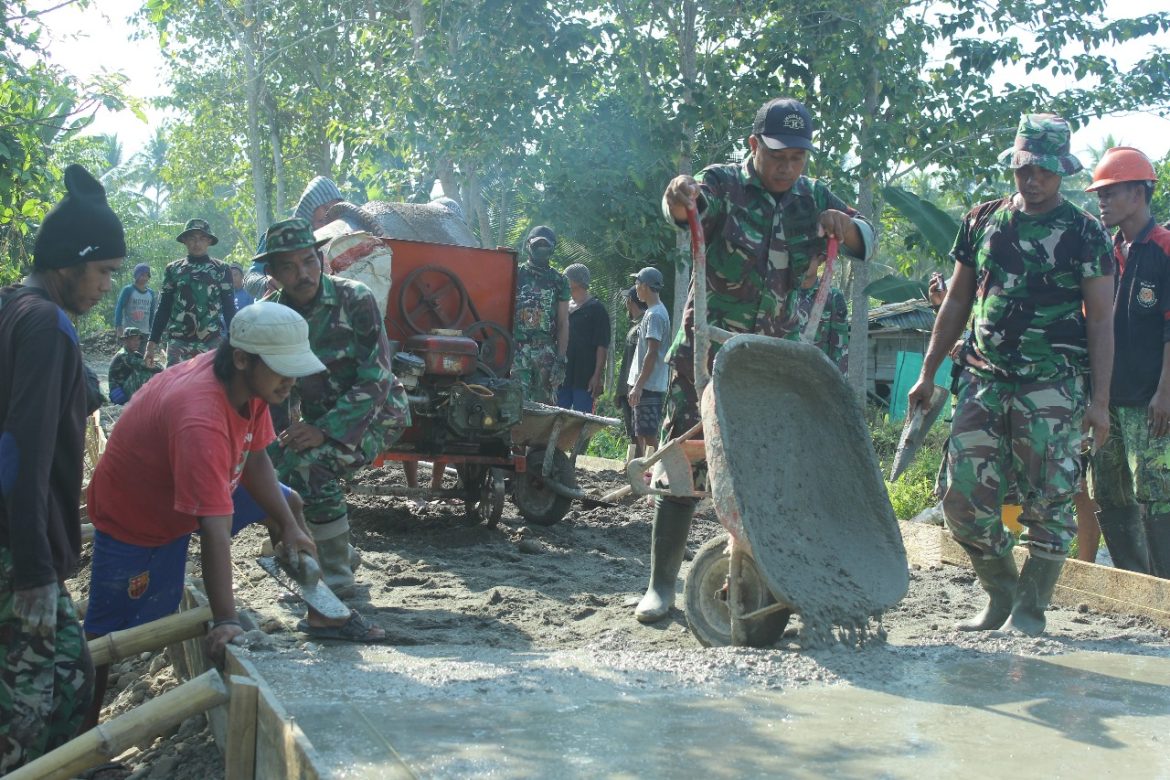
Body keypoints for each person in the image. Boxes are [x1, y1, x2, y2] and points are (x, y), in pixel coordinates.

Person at [637, 96, 875, 623]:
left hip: (773, 366)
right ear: (753, 146)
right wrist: (678, 198)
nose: (787, 168)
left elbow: (866, 241)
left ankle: (776, 572)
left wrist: (846, 225)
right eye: (776, 157)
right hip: (708, 355)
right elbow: (685, 210)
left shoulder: (814, 197)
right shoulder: (723, 183)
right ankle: (660, 586)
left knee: (773, 470)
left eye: (797, 158)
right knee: (684, 462)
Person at [907, 114, 1115, 637]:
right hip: (983, 379)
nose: (1033, 180)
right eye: (1025, 168)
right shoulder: (983, 220)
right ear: (1015, 165)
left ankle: (1030, 609)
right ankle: (1001, 592)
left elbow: (1103, 321)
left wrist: (1100, 402)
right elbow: (956, 299)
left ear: (1061, 171)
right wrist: (929, 372)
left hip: (1054, 385)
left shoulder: (1085, 231)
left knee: (1050, 501)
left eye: (1044, 171)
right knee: (961, 498)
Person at [0, 164, 125, 771]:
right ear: (69, 263)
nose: (106, 285)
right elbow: (19, 453)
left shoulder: (13, 308)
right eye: (102, 271)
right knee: (25, 707)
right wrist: (32, 569)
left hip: (22, 540)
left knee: (73, 679)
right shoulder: (48, 327)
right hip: (17, 549)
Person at [261, 218, 411, 595]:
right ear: (273, 274)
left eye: (309, 261)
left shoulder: (354, 298)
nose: (303, 274)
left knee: (313, 468)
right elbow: (268, 386)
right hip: (318, 419)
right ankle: (325, 550)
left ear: (320, 258)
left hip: (376, 414)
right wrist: (268, 445)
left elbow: (377, 376)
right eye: (289, 267)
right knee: (269, 472)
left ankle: (339, 581)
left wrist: (323, 429)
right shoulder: (272, 315)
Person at [1086, 146, 1170, 577]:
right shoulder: (1103, 252)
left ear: (1138, 194)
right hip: (1107, 399)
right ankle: (1135, 586)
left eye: (1110, 193)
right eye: (1099, 194)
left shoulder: (1165, 248)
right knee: (1108, 488)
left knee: (1155, 492)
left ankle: (1164, 589)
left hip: (1150, 400)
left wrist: (1164, 392)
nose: (1101, 201)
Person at [146, 218, 236, 367]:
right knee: (176, 387)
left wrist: (235, 342)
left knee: (212, 387)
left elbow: (229, 307)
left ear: (209, 241)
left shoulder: (221, 269)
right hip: (179, 341)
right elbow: (164, 307)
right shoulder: (173, 269)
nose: (197, 243)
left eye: (202, 238)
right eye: (192, 238)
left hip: (211, 340)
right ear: (185, 241)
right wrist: (151, 343)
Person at [244, 176, 344, 299]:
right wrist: (266, 283)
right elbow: (250, 277)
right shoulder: (280, 235)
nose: (330, 213)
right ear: (310, 205)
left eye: (335, 208)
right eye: (325, 207)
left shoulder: (341, 236)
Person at [512, 225, 570, 405]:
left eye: (546, 244)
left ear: (552, 248)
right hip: (517, 351)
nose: (541, 248)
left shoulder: (559, 281)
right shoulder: (515, 273)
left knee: (545, 407)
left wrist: (560, 360)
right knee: (515, 405)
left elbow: (563, 323)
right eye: (537, 244)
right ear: (528, 245)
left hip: (545, 352)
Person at [627, 268, 671, 460]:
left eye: (637, 284)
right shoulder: (653, 312)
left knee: (648, 432)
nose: (635, 288)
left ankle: (657, 469)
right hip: (646, 383)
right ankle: (646, 469)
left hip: (649, 385)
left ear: (644, 286)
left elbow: (652, 353)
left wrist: (638, 386)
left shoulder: (655, 315)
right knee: (640, 431)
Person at [558, 263, 610, 412]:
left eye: (567, 279)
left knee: (582, 422)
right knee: (557, 418)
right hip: (563, 376)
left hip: (585, 378)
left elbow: (602, 345)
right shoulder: (565, 306)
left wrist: (597, 376)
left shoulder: (597, 309)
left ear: (576, 282)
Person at [795, 265, 849, 373]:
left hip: (817, 376)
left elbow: (840, 347)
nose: (804, 261)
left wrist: (838, 383)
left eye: (810, 256)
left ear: (820, 259)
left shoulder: (832, 296)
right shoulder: (783, 293)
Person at [617, 286, 648, 461]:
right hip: (629, 387)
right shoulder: (637, 325)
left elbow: (639, 361)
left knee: (639, 432)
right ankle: (636, 463)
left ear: (630, 301)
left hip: (635, 387)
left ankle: (641, 464)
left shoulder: (642, 326)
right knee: (633, 430)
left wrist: (634, 387)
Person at [107, 326, 161, 405]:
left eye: (138, 339)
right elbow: (146, 365)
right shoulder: (123, 355)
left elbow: (151, 365)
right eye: (134, 339)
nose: (137, 342)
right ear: (125, 340)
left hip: (126, 388)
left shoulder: (135, 354)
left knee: (152, 373)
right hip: (119, 393)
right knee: (142, 374)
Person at [113, 262, 157, 338]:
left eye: (147, 275)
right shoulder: (128, 290)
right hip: (130, 332)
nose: (145, 278)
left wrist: (151, 328)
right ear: (136, 275)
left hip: (145, 332)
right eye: (142, 275)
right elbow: (119, 308)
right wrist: (118, 326)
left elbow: (152, 312)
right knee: (128, 350)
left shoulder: (151, 293)